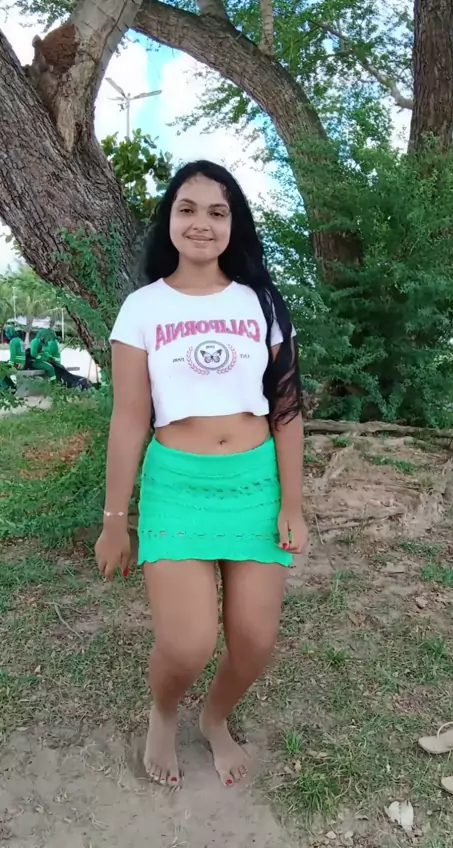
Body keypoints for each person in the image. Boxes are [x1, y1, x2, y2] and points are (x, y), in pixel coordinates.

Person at [95, 160, 308, 789]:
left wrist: (292, 503)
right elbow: (128, 419)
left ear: (233, 224)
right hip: (178, 487)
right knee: (188, 643)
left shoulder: (261, 302)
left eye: (218, 212)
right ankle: (163, 713)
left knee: (254, 641)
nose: (202, 223)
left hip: (255, 484)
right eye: (187, 209)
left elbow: (287, 409)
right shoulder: (142, 308)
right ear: (169, 219)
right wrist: (115, 521)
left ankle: (215, 718)